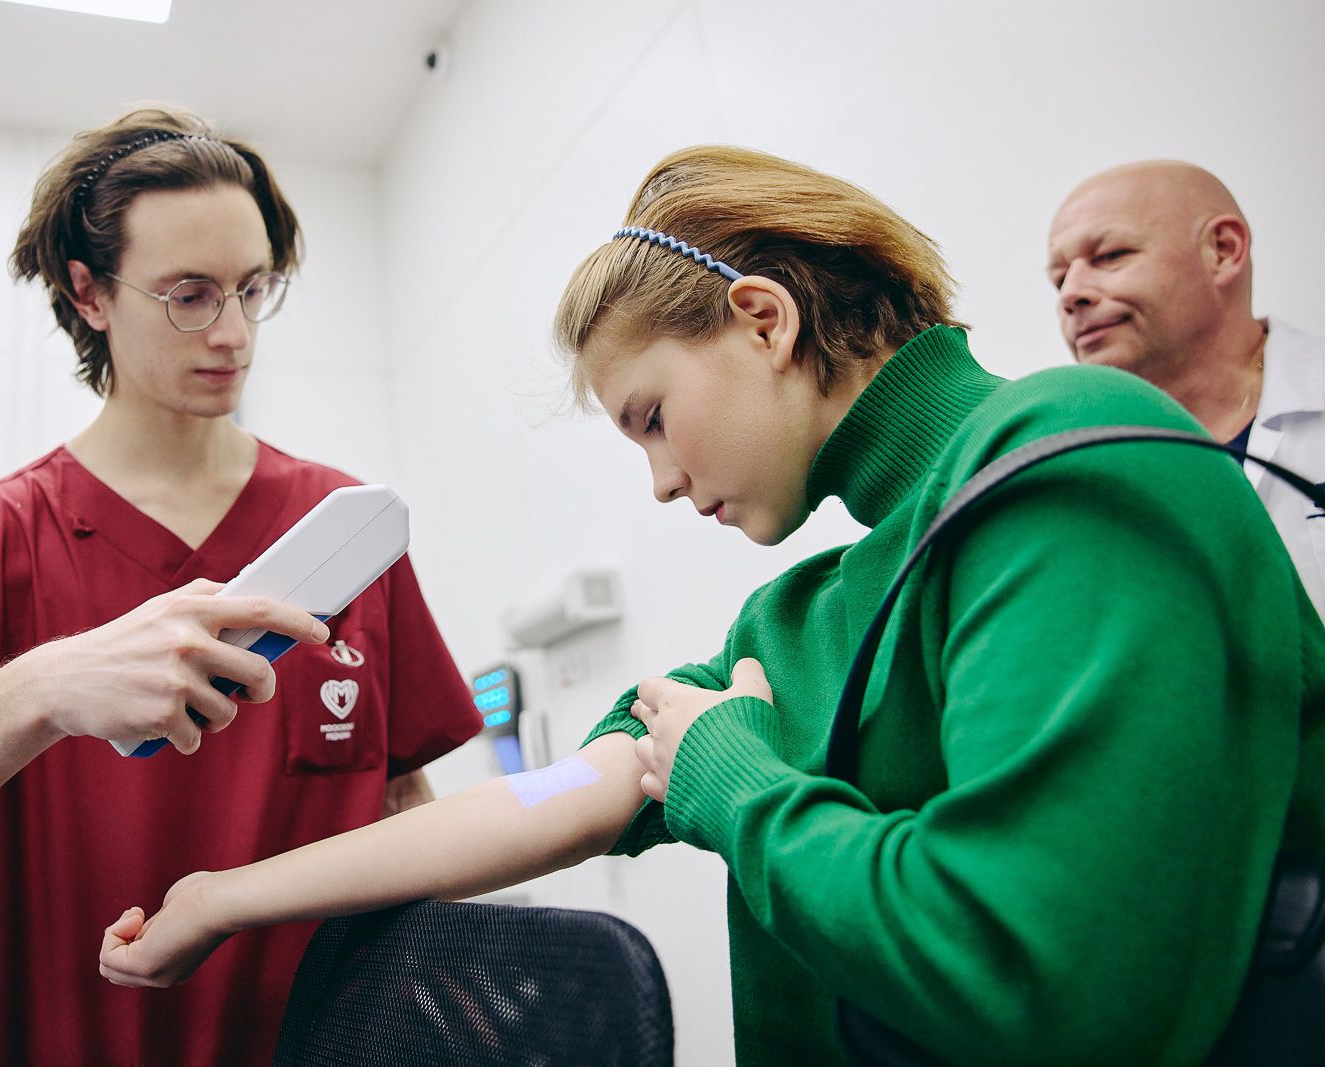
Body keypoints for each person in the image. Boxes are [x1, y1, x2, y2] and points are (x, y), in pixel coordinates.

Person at [95, 145, 1325, 1065]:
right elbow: (549, 796)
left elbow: (1046, 983)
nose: (663, 480)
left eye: (651, 418)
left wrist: (734, 779)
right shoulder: (799, 617)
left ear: (763, 319)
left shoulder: (1071, 451)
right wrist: (224, 896)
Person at [0, 107, 481, 1065]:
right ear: (90, 293)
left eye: (252, 289)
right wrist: (42, 688)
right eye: (189, 294)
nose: (234, 332)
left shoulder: (347, 531)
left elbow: (407, 802)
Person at [1048, 161, 1325, 617]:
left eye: (1111, 255)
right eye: (1059, 278)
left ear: (1223, 250)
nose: (1069, 294)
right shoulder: (1067, 473)